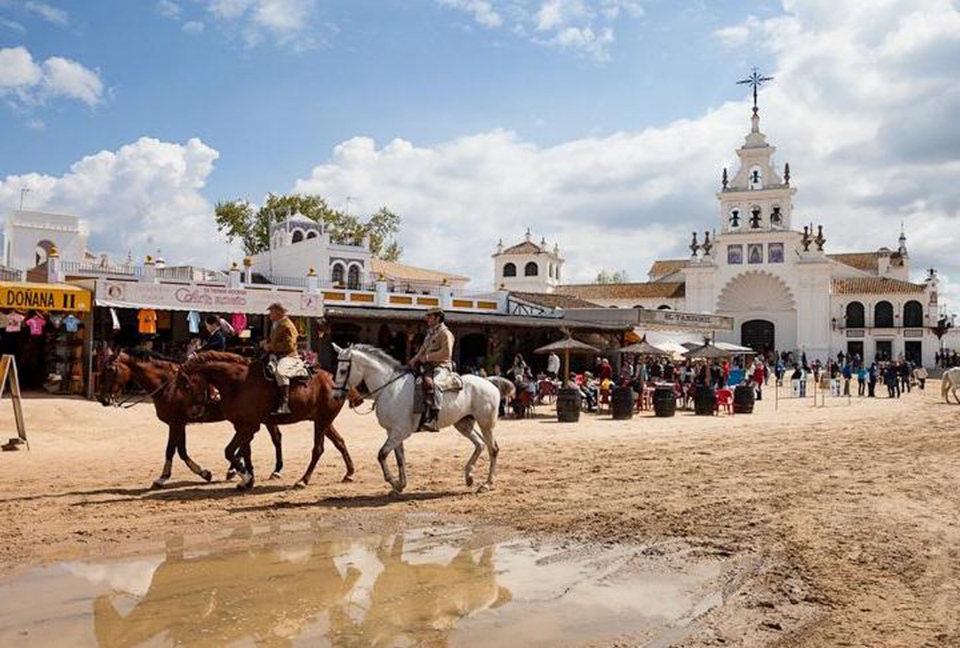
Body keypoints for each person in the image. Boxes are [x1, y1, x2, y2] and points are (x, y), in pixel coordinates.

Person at [408, 308, 454, 432]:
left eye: (430, 316)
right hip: (427, 366)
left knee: (435, 384)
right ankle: (418, 418)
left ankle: (434, 419)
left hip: (441, 367)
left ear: (437, 318)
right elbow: (422, 350)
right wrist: (413, 360)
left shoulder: (445, 333)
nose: (427, 319)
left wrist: (427, 357)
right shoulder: (430, 333)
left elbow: (447, 353)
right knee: (415, 382)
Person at [261, 302, 305, 415]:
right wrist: (266, 343)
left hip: (288, 356)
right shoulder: (276, 324)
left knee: (281, 373)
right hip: (275, 355)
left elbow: (289, 346)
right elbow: (276, 341)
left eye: (272, 311)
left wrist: (270, 346)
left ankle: (284, 403)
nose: (270, 314)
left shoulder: (287, 325)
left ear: (278, 312)